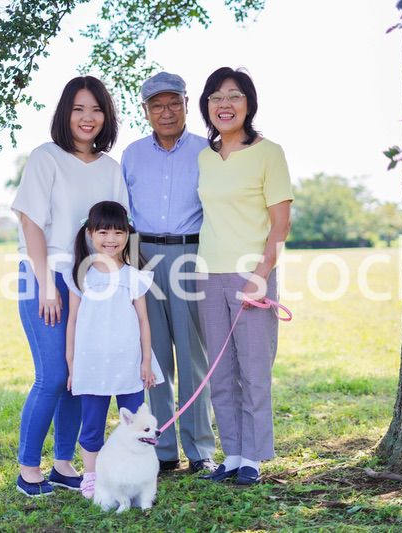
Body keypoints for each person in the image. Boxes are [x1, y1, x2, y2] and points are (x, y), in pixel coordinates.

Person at [11, 76, 127, 497]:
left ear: (106, 116)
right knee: (54, 375)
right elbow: (31, 224)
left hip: (91, 281)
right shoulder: (46, 158)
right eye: (78, 109)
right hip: (44, 276)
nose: (87, 117)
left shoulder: (111, 169)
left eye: (95, 109)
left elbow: (119, 231)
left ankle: (63, 465)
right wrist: (47, 285)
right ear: (65, 113)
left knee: (80, 373)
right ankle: (28, 469)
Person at [195, 67, 293, 485]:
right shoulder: (205, 156)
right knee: (219, 371)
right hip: (206, 273)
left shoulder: (269, 153)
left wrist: (262, 273)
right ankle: (232, 453)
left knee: (253, 370)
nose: (225, 104)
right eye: (216, 97)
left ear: (248, 104)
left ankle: (253, 456)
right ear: (207, 106)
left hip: (252, 275)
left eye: (234, 96)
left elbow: (281, 224)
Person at [121, 72, 217, 473]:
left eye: (174, 103)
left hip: (191, 254)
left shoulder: (207, 151)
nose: (166, 112)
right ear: (145, 111)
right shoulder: (131, 155)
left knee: (193, 356)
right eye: (157, 105)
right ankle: (161, 451)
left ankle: (199, 450)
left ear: (186, 104)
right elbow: (124, 212)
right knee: (154, 357)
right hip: (143, 257)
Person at [64, 201, 164, 499]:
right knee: (92, 425)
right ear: (90, 233)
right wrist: (72, 364)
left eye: (118, 232)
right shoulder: (81, 274)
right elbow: (72, 321)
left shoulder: (134, 275)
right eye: (103, 232)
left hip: (128, 362)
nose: (111, 238)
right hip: (91, 363)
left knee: (136, 424)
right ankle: (92, 477)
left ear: (128, 235)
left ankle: (135, 476)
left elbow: (143, 321)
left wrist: (146, 361)